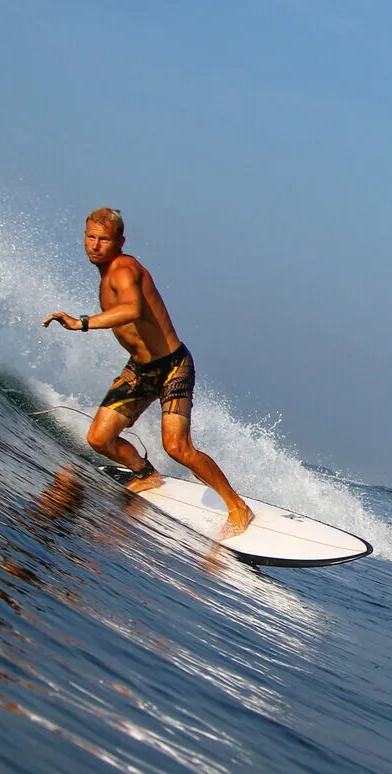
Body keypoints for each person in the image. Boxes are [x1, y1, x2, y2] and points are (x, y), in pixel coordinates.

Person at [42, 207, 254, 538]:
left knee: (178, 447)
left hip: (173, 367)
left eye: (104, 239)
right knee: (99, 438)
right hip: (140, 369)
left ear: (119, 242)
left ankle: (237, 506)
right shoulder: (105, 274)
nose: (95, 245)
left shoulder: (124, 269)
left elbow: (132, 309)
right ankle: (145, 473)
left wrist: (80, 323)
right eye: (91, 237)